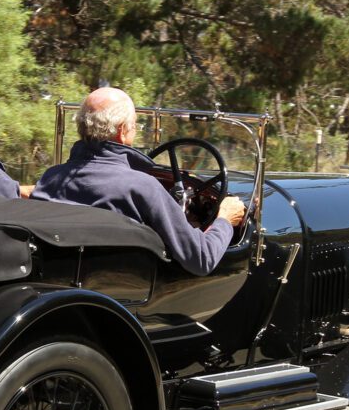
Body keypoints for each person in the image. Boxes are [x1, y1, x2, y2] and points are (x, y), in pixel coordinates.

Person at [31, 86, 248, 275]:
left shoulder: (52, 177)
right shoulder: (142, 187)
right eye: (135, 126)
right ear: (123, 131)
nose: (134, 130)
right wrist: (225, 220)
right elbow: (201, 258)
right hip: (126, 294)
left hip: (62, 283)